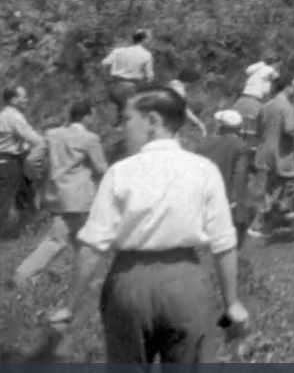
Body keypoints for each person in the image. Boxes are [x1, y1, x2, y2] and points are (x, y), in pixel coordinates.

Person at [47, 87, 247, 363]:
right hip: (186, 285)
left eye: (128, 119)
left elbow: (92, 246)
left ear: (152, 121)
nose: (122, 128)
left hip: (129, 285)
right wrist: (232, 304)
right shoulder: (203, 170)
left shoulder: (120, 172)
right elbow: (224, 242)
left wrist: (69, 307)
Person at [12, 99, 109, 287]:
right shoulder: (90, 139)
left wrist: (38, 177)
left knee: (77, 240)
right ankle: (23, 275)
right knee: (65, 239)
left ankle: (92, 278)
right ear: (87, 116)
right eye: (93, 115)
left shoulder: (52, 134)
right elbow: (101, 168)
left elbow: (32, 160)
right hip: (80, 198)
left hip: (55, 195)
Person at [194, 110, 253, 260]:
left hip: (204, 199)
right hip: (227, 200)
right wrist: (236, 204)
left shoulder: (203, 146)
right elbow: (239, 176)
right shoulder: (241, 147)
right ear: (239, 127)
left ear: (221, 126)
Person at [251, 77, 294, 235]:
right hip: (281, 153)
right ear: (287, 87)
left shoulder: (265, 106)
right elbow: (290, 129)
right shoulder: (287, 107)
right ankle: (278, 221)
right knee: (284, 187)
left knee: (264, 190)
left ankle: (259, 224)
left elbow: (258, 130)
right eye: (292, 86)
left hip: (263, 152)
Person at [0, 84, 41, 238]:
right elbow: (33, 138)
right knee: (4, 200)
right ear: (13, 99)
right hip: (9, 162)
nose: (26, 100)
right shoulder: (13, 117)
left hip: (10, 160)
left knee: (24, 194)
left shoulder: (6, 115)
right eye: (23, 97)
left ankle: (26, 228)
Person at [101, 30, 155, 123]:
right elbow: (149, 77)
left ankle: (116, 129)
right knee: (131, 115)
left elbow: (104, 63)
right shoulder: (146, 55)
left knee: (119, 112)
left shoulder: (118, 51)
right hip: (131, 87)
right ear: (144, 40)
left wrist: (107, 80)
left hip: (115, 86)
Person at [235, 52, 280, 138]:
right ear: (275, 63)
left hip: (242, 99)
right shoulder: (268, 70)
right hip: (254, 102)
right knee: (250, 133)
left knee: (237, 129)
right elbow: (276, 77)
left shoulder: (256, 70)